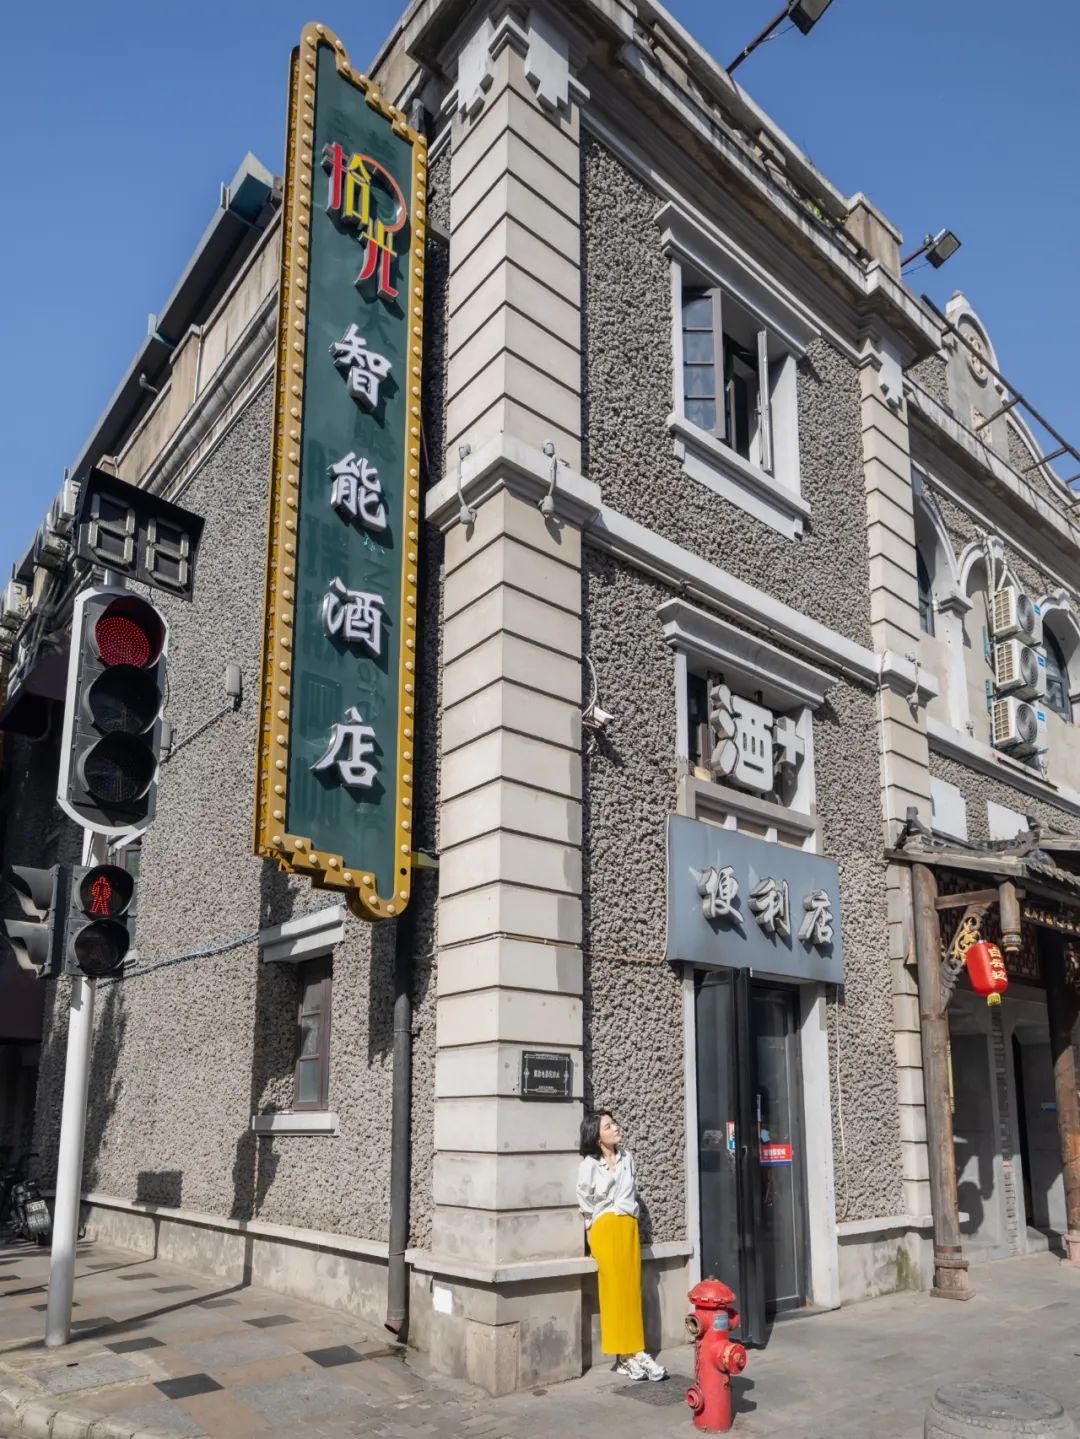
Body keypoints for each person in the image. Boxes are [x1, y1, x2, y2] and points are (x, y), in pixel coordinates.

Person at [576, 1110, 667, 1382]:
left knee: (631, 1290)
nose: (615, 1128)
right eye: (608, 1126)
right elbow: (585, 1200)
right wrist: (590, 1232)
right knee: (613, 1291)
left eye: (614, 1123)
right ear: (597, 1136)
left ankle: (634, 1353)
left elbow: (632, 1191)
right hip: (604, 1228)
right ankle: (626, 1355)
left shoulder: (627, 1158)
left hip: (628, 1225)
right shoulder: (589, 1165)